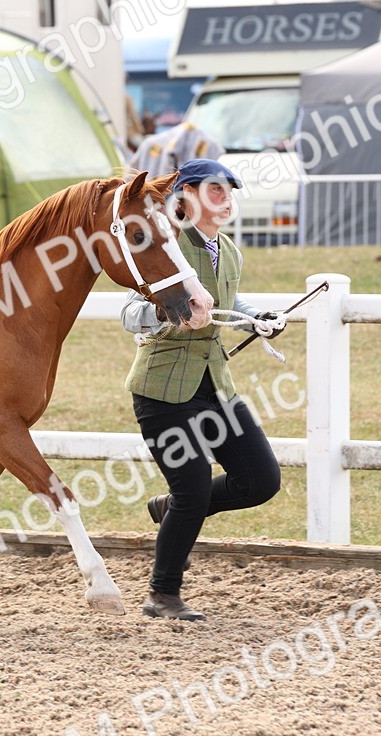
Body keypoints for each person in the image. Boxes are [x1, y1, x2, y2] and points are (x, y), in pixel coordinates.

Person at [120, 158, 283, 621]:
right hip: (162, 390)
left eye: (230, 190)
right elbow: (131, 314)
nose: (226, 197)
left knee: (260, 481)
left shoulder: (228, 249)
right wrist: (170, 313)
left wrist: (259, 318)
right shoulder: (165, 246)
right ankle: (162, 594)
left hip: (216, 384)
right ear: (185, 195)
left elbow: (231, 300)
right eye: (215, 189)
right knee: (193, 491)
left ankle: (171, 509)